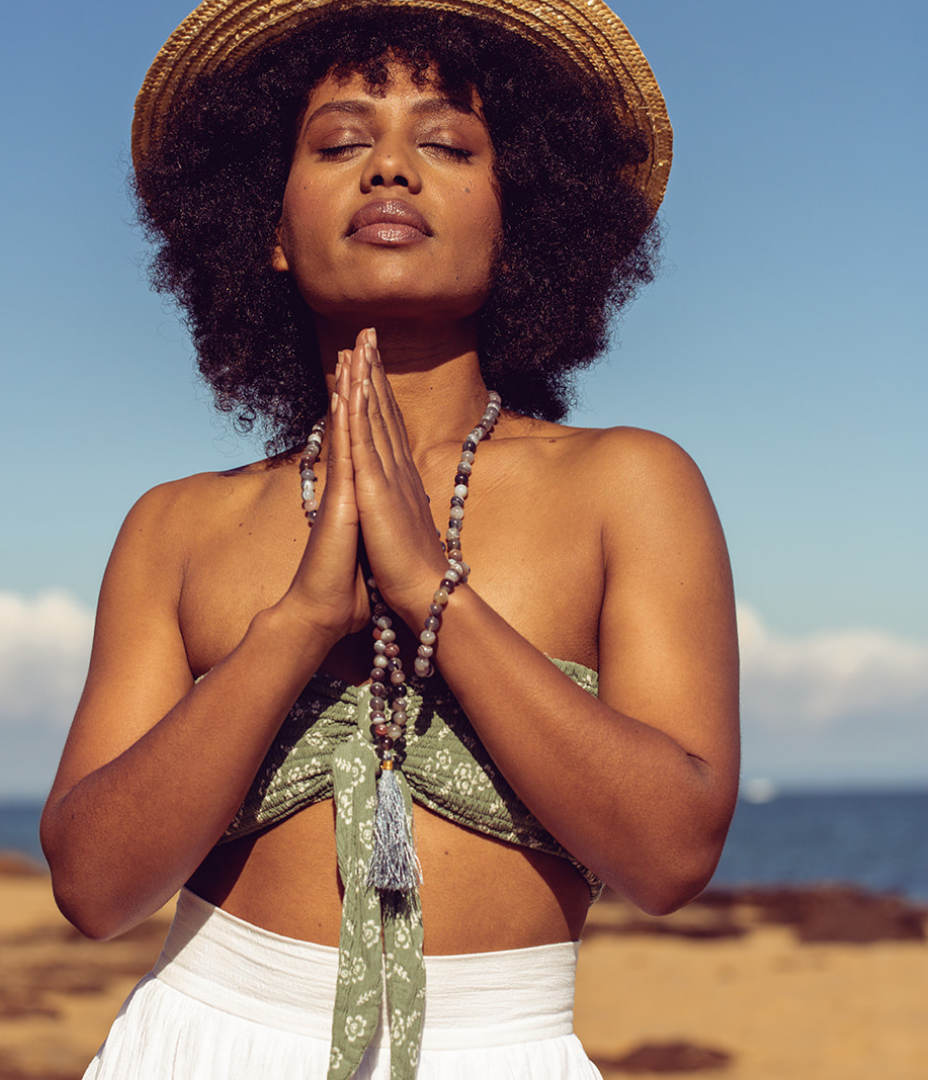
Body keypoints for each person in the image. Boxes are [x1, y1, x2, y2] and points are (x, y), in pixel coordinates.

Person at [40, 1, 740, 1077]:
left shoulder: (630, 486)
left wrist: (433, 591)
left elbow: (670, 855)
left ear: (525, 222)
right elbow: (94, 890)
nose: (391, 171)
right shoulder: (177, 526)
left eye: (448, 142)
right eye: (340, 142)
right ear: (267, 229)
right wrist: (299, 623)